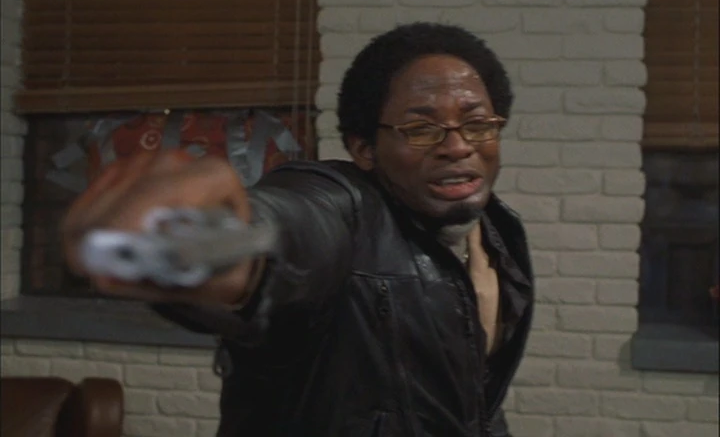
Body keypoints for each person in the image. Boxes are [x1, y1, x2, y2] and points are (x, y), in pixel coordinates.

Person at [62, 23, 534, 437]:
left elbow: (475, 403)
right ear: (364, 148)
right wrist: (198, 242)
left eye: (478, 124)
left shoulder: (499, 237)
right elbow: (292, 229)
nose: (458, 146)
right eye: (421, 129)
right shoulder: (344, 208)